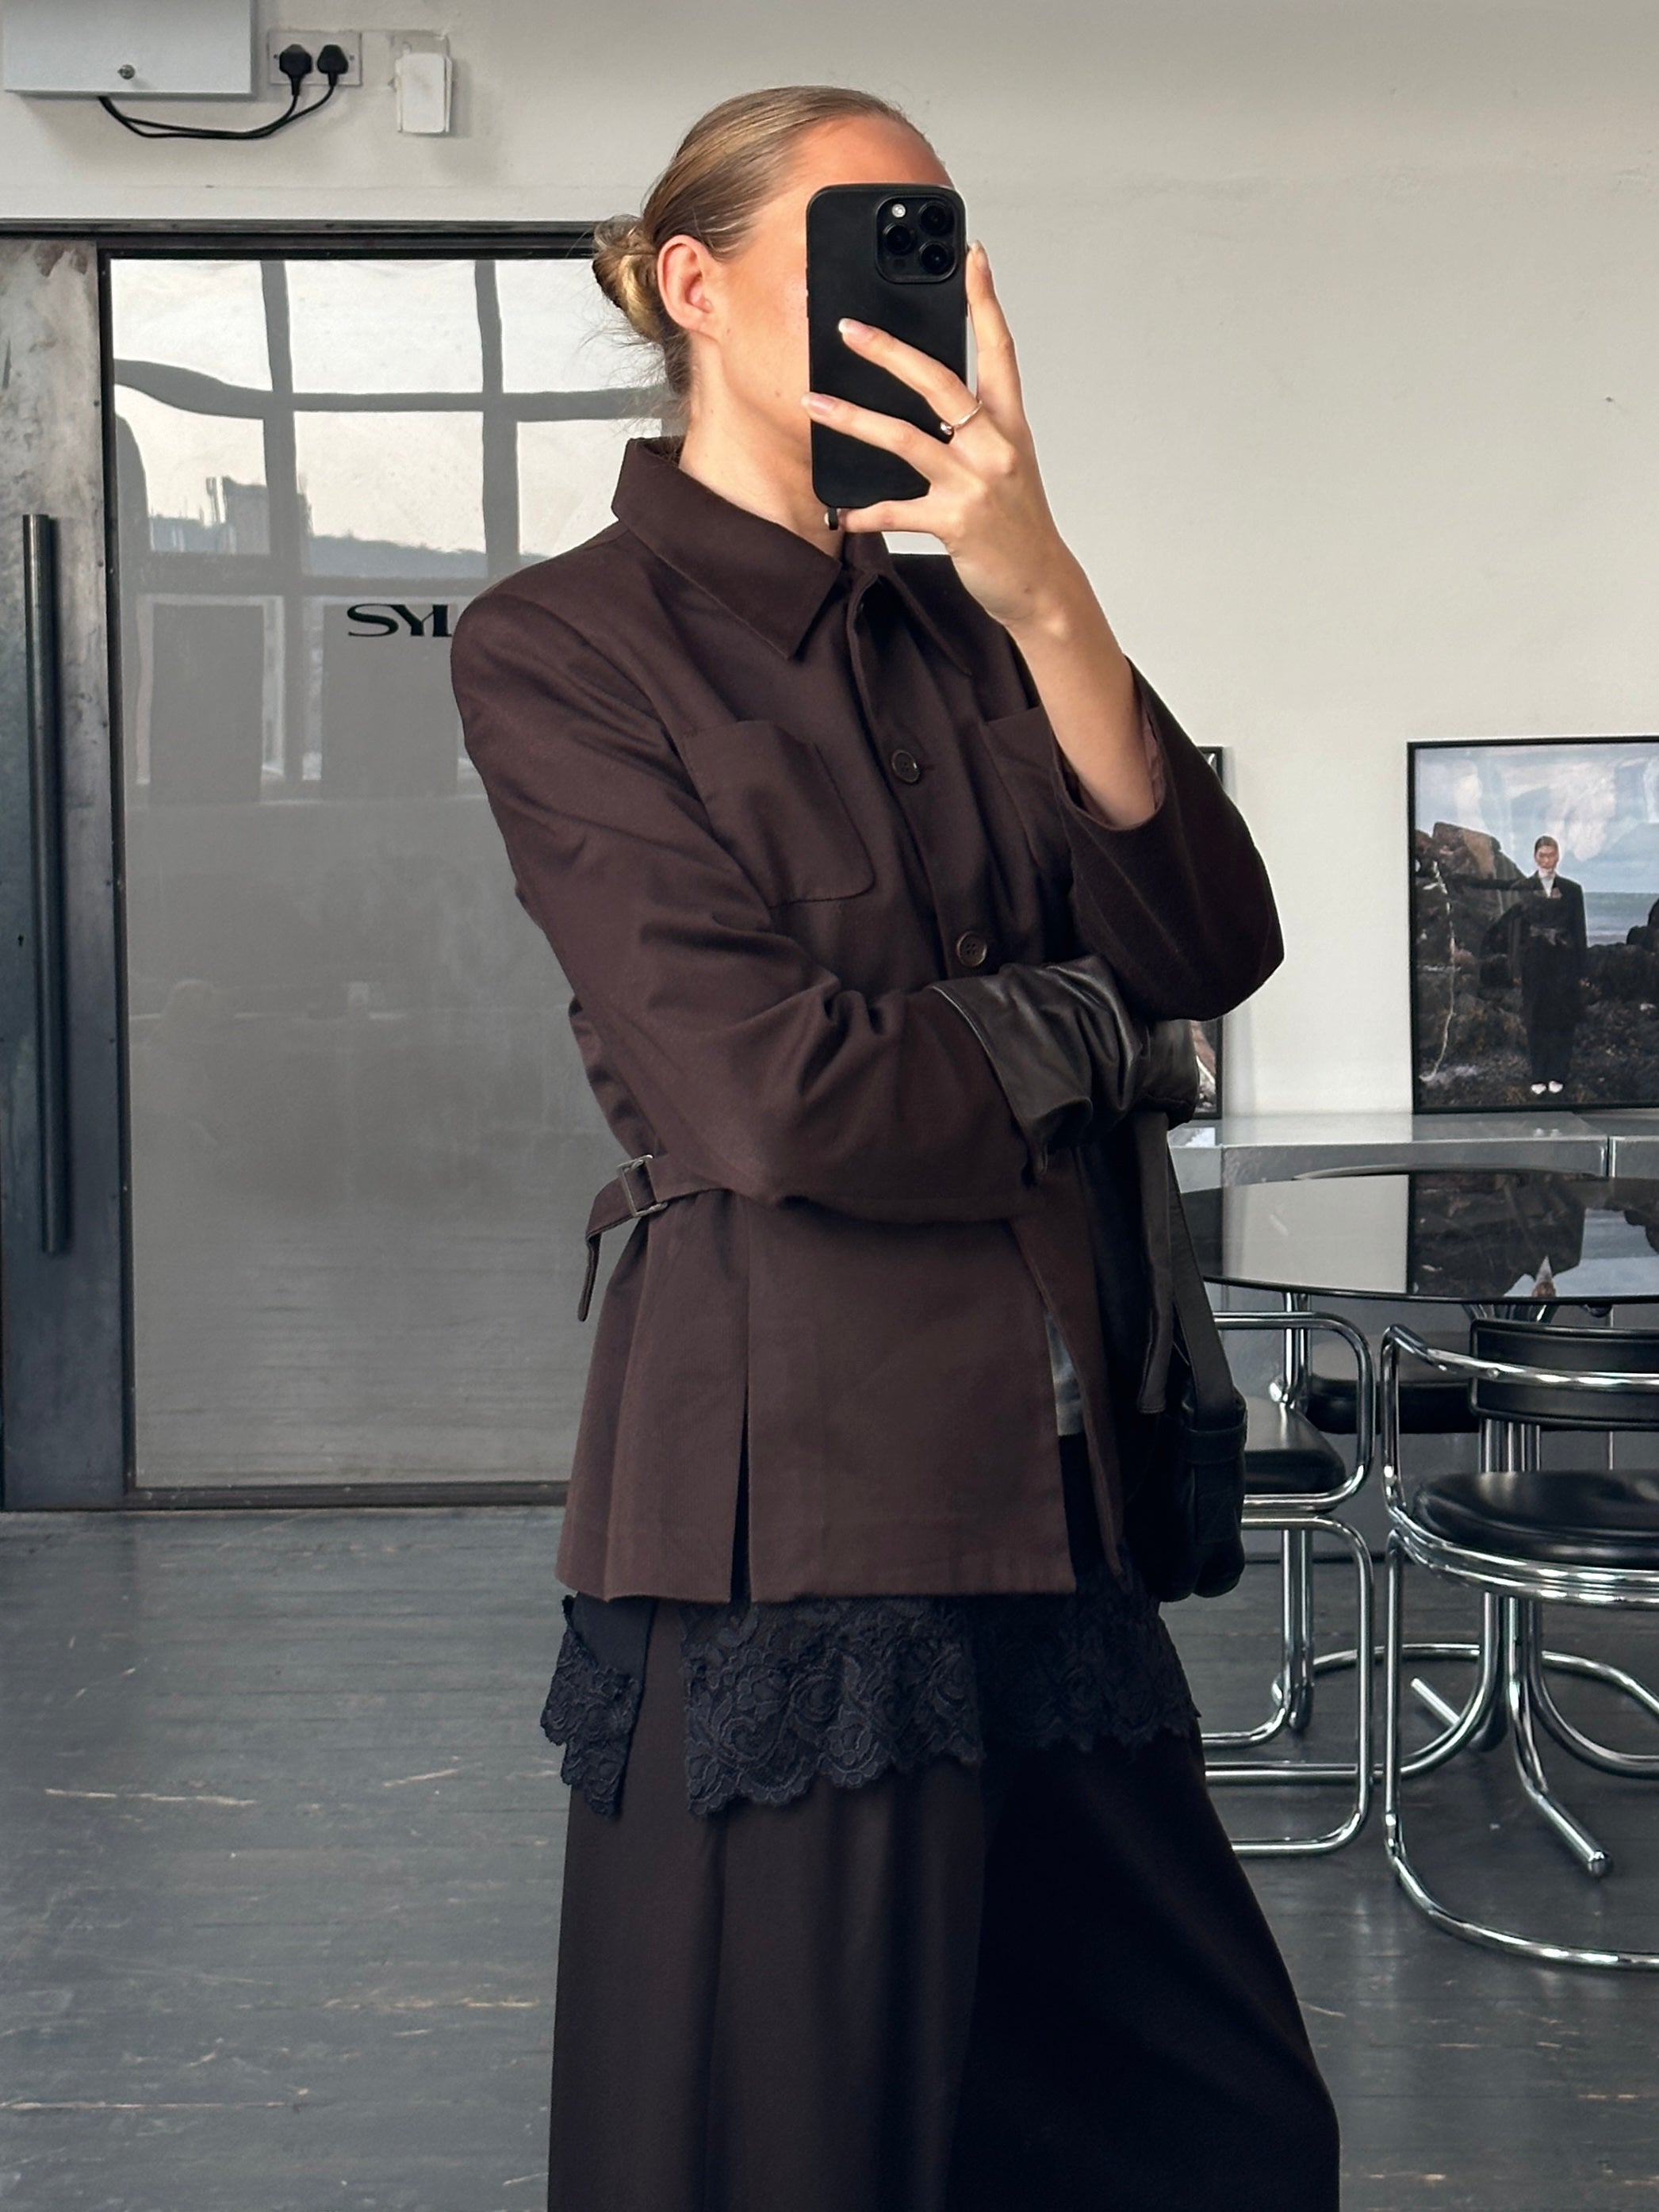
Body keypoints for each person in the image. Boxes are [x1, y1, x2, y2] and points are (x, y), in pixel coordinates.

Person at [450, 82, 1339, 2212]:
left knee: (1215, 2130)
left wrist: (1047, 595)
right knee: (791, 2148)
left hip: (1054, 1493)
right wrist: (1083, 1032)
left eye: (937, 247)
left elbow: (1207, 949)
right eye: (864, 240)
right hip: (795, 1518)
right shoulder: (559, 646)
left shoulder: (971, 629)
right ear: (692, 283)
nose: (913, 293)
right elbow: (774, 1094)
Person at [1499, 834, 1589, 1096]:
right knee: (1535, 1019)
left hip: (1564, 962)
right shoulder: (1522, 888)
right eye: (1542, 855)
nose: (1547, 860)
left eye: (1551, 855)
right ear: (1535, 857)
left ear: (1558, 856)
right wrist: (1515, 968)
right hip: (1533, 962)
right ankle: (1538, 1074)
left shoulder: (1572, 890)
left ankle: (1558, 1073)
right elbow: (1515, 931)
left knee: (1563, 1019)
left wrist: (1583, 969)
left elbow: (1579, 929)